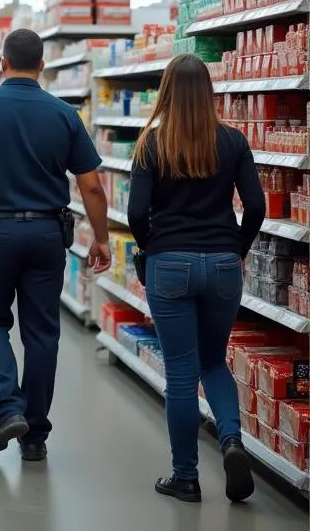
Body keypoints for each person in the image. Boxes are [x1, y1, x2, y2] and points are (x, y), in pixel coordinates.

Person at [0, 28, 111, 461]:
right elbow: (90, 185)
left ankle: (8, 407)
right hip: (47, 235)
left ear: (2, 63)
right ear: (43, 66)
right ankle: (35, 435)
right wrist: (102, 239)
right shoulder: (64, 114)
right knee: (41, 334)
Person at [128, 53, 265, 505]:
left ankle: (186, 476)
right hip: (224, 263)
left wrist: (152, 246)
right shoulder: (233, 140)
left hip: (170, 265)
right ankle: (231, 442)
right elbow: (257, 206)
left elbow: (134, 213)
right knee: (214, 362)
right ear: (209, 91)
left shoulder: (152, 143)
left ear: (166, 91)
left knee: (183, 374)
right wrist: (237, 250)